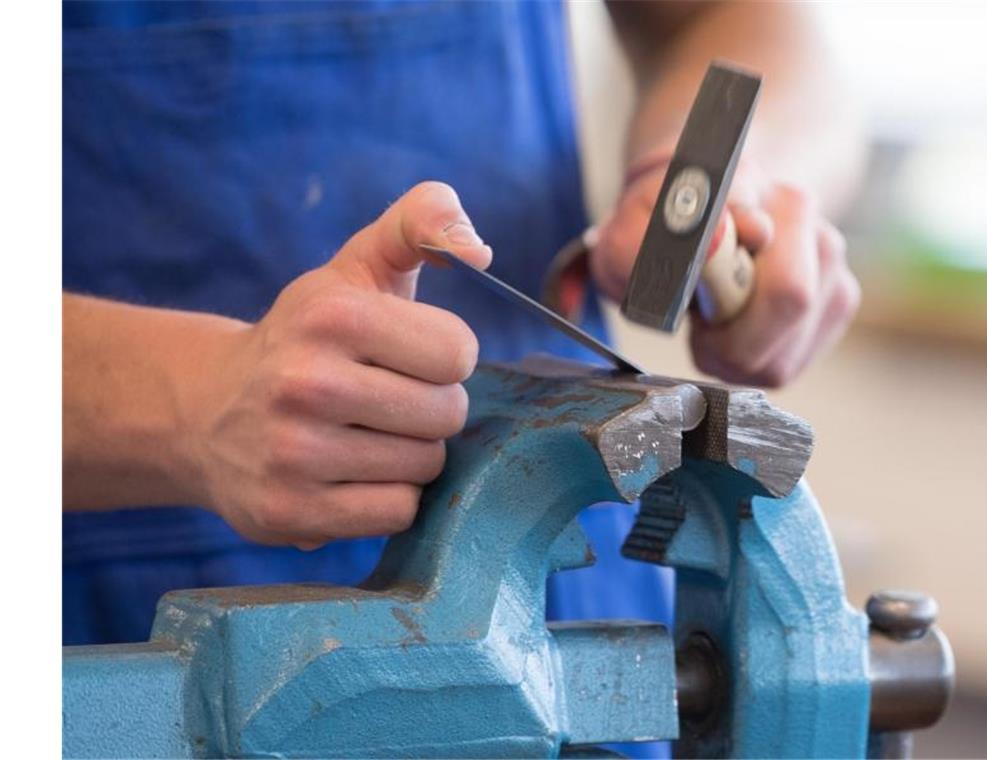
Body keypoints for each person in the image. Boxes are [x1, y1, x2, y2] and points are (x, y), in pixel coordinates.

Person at [64, 0, 860, 696]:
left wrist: (724, 187)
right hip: (113, 610)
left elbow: (744, 17)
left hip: (562, 558)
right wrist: (193, 399)